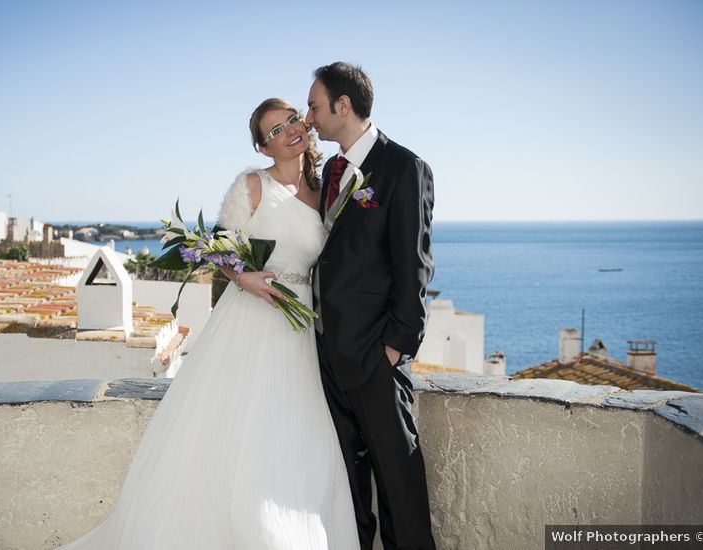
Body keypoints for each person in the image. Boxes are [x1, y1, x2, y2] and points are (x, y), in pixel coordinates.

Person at [59, 98, 359, 549]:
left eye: (293, 120)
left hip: (300, 328)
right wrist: (248, 278)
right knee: (241, 429)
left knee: (296, 435)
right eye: (275, 130)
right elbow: (222, 253)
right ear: (263, 147)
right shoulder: (252, 185)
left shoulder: (325, 191)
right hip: (252, 317)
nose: (289, 131)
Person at [306, 62, 437, 550]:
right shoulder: (329, 171)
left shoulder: (405, 168)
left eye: (315, 106)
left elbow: (415, 267)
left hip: (374, 356)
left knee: (398, 478)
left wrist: (394, 349)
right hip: (326, 354)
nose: (309, 117)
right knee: (347, 481)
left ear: (343, 106)